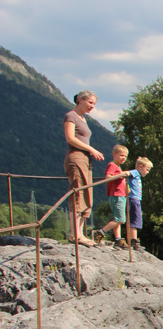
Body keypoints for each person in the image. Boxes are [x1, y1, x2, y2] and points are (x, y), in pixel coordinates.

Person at [64, 90, 105, 247]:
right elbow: (70, 137)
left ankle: (80, 233)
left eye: (94, 104)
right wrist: (92, 149)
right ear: (80, 100)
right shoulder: (71, 116)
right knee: (77, 193)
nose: (92, 106)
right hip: (76, 158)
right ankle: (75, 235)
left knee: (86, 194)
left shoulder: (83, 119)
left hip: (85, 160)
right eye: (90, 102)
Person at [93, 145, 130, 249]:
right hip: (117, 195)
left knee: (117, 219)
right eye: (121, 155)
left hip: (121, 195)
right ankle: (100, 232)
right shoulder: (113, 165)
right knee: (120, 219)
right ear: (114, 154)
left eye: (125, 156)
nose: (124, 158)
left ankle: (118, 239)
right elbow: (108, 177)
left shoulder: (118, 166)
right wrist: (121, 174)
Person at [125, 157, 152, 252]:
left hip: (136, 199)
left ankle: (134, 240)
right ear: (140, 167)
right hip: (133, 199)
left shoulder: (138, 175)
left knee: (136, 220)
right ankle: (133, 241)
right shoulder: (135, 172)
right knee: (135, 220)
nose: (147, 172)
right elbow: (126, 173)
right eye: (147, 169)